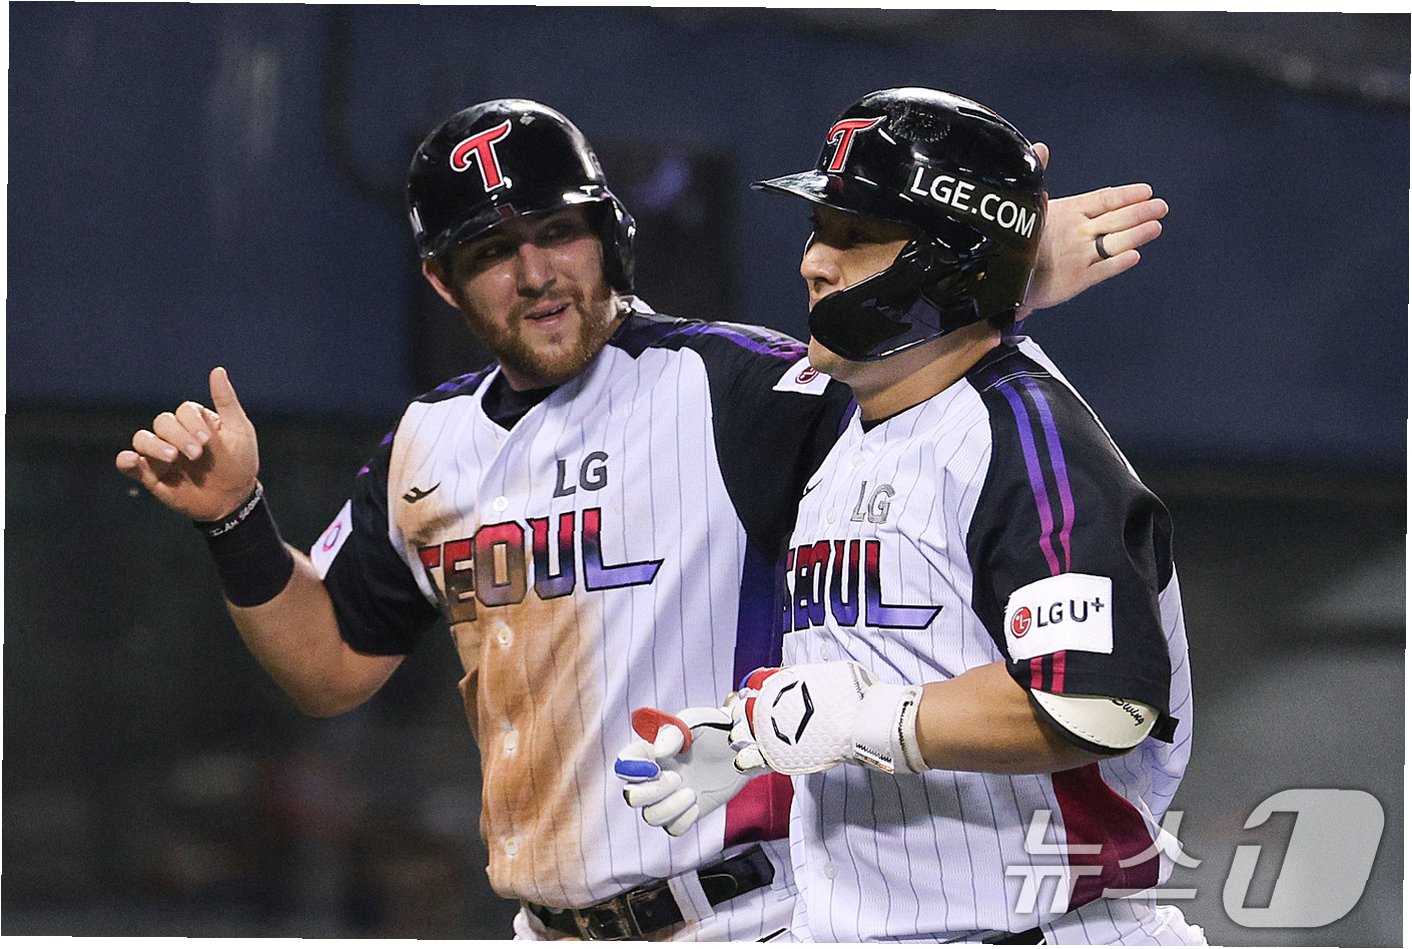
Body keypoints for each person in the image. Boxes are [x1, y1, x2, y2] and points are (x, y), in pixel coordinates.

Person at [115, 97, 1169, 941]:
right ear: (441, 280)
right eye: (491, 250)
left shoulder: (734, 384)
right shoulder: (426, 443)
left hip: (755, 909)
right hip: (543, 924)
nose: (536, 272)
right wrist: (236, 520)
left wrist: (995, 266)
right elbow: (329, 664)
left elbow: (924, 386)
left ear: (610, 235)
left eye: (558, 231)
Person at [618, 89, 1201, 945]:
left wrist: (865, 718)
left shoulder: (1022, 431)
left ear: (949, 262)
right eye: (818, 229)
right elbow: (878, 675)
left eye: (855, 235)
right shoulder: (855, 438)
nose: (815, 263)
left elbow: (1099, 699)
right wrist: (754, 735)